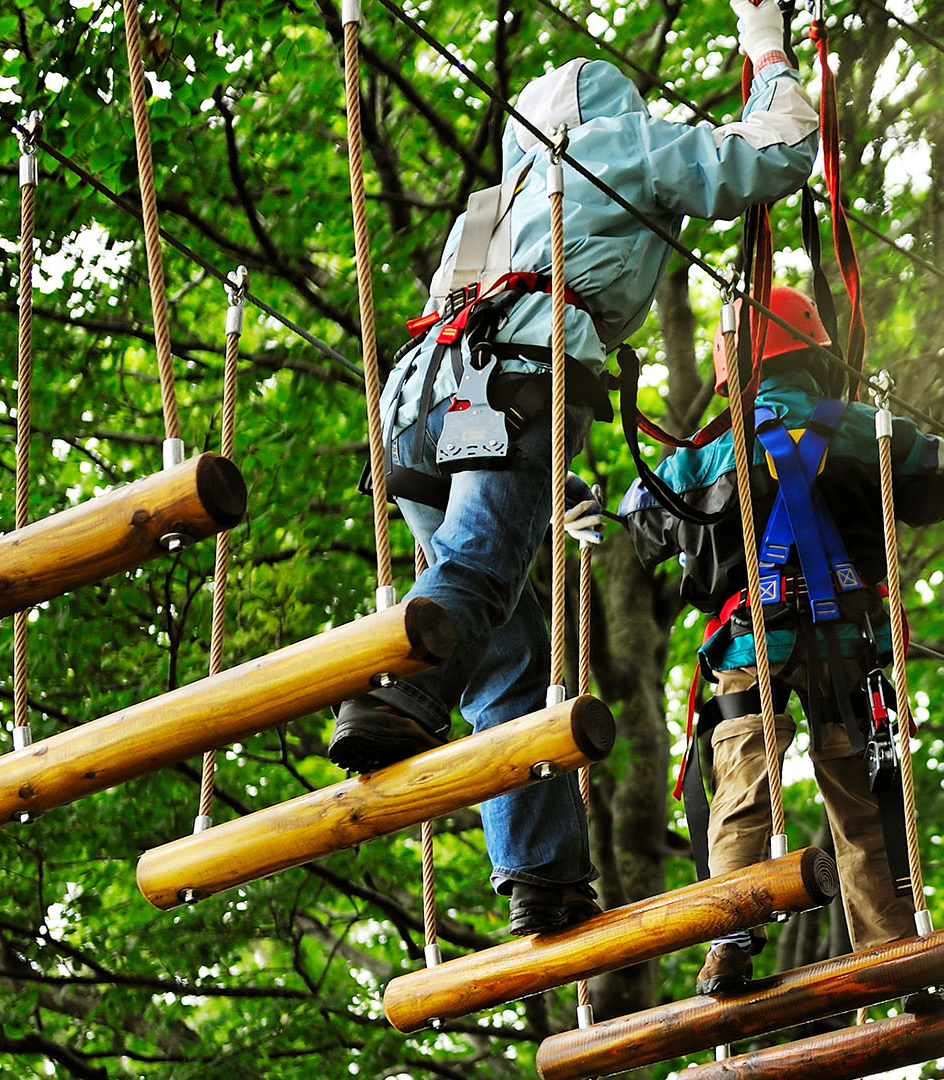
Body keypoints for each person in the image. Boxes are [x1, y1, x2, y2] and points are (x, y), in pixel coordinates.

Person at [326, 0, 819, 938]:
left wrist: (554, 483)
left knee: (507, 653)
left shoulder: (490, 208)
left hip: (416, 410)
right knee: (479, 568)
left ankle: (541, 874)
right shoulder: (613, 146)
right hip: (516, 379)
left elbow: (477, 371)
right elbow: (778, 151)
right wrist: (765, 42)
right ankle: (396, 692)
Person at [618, 286, 944, 1002]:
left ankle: (729, 941)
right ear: (820, 359)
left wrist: (582, 507)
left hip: (750, 648)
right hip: (848, 647)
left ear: (733, 373)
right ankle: (895, 955)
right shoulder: (870, 432)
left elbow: (640, 514)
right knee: (866, 804)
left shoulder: (702, 459)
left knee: (742, 784)